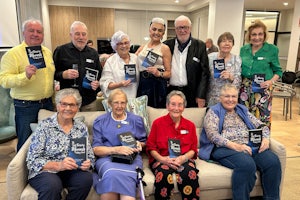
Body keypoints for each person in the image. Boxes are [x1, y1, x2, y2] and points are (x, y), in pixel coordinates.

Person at [200, 84, 281, 200]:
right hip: (225, 148)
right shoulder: (213, 111)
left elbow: (261, 125)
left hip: (250, 145)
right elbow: (212, 135)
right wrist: (236, 146)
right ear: (220, 98)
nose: (230, 100)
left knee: (273, 161)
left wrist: (266, 138)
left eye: (233, 96)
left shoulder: (241, 109)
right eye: (227, 96)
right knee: (247, 164)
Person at [26, 88, 95, 200]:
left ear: (77, 108)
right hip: (47, 171)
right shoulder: (45, 126)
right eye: (64, 104)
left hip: (72, 171)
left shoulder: (81, 128)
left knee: (86, 179)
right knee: (52, 185)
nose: (68, 108)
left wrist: (88, 163)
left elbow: (90, 156)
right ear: (57, 106)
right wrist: (59, 165)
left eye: (72, 105)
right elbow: (32, 160)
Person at [0, 18, 54, 151]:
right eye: (31, 31)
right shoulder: (12, 54)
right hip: (26, 106)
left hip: (47, 103)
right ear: (23, 32)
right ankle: (23, 171)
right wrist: (25, 76)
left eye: (39, 32)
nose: (35, 34)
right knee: (25, 141)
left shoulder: (47, 52)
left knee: (48, 139)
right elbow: (4, 81)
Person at [92, 89, 147, 200]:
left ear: (126, 103)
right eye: (116, 102)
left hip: (131, 159)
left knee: (127, 194)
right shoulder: (100, 121)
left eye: (122, 102)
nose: (119, 106)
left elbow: (144, 142)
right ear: (109, 104)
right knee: (111, 174)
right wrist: (116, 149)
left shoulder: (136, 120)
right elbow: (96, 149)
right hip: (107, 159)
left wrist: (139, 144)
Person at [146, 90, 200, 200]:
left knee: (189, 174)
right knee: (164, 175)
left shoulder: (190, 125)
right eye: (173, 104)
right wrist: (162, 159)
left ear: (184, 107)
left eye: (180, 105)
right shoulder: (158, 123)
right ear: (167, 106)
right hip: (162, 159)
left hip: (183, 159)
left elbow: (193, 149)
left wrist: (183, 158)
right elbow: (151, 147)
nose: (176, 108)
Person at [239, 20, 282, 128]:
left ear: (264, 35)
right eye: (254, 34)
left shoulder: (272, 50)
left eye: (260, 34)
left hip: (263, 88)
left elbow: (278, 71)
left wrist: (270, 82)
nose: (257, 37)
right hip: (245, 88)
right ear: (249, 35)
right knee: (244, 115)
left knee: (263, 117)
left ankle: (263, 142)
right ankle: (245, 142)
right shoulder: (244, 49)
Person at [53, 21, 102, 111]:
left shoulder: (93, 53)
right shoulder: (61, 51)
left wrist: (97, 83)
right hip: (68, 102)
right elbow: (53, 74)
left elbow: (100, 75)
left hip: (89, 101)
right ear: (71, 35)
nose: (81, 37)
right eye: (77, 34)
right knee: (68, 125)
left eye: (84, 34)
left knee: (89, 124)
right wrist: (64, 74)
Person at [164, 15, 210, 108]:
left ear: (190, 28)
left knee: (191, 119)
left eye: (185, 27)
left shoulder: (200, 46)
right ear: (175, 29)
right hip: (170, 91)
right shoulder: (167, 45)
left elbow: (204, 73)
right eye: (179, 28)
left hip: (192, 93)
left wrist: (201, 95)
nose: (182, 30)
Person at [136, 17, 172, 108]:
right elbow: (130, 60)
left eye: (160, 30)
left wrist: (159, 73)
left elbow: (169, 73)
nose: (156, 32)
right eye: (154, 29)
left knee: (156, 112)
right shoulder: (142, 47)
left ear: (163, 33)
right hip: (142, 84)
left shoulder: (165, 48)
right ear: (149, 30)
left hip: (157, 85)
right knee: (142, 110)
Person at [100, 31, 139, 98]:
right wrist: (120, 84)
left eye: (126, 43)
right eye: (120, 44)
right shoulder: (110, 61)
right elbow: (105, 84)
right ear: (115, 46)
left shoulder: (136, 59)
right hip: (118, 100)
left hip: (134, 100)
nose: (124, 46)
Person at [207, 32, 242, 106]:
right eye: (223, 41)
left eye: (230, 41)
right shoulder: (210, 57)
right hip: (211, 98)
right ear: (218, 44)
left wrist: (231, 77)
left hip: (229, 100)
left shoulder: (237, 59)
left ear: (232, 45)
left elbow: (238, 82)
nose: (227, 44)